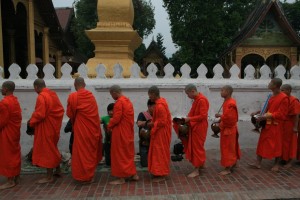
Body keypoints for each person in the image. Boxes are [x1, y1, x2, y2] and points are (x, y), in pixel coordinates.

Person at [67, 77, 102, 184]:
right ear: (84, 84)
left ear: (74, 84)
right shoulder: (91, 96)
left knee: (81, 152)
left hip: (81, 129)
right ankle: (90, 175)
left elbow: (70, 114)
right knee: (90, 152)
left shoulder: (73, 96)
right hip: (92, 129)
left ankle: (84, 176)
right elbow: (95, 114)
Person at [248, 78, 289, 172]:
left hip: (276, 125)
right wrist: (258, 112)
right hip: (267, 124)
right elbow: (267, 109)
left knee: (277, 144)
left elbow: (281, 114)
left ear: (275, 85)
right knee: (262, 142)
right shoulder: (271, 96)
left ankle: (276, 164)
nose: (269, 84)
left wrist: (266, 116)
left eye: (271, 82)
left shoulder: (283, 98)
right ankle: (258, 163)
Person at [29, 79, 64, 184]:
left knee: (47, 150)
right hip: (53, 126)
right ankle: (57, 170)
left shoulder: (42, 96)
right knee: (52, 147)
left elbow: (40, 114)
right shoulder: (52, 94)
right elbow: (60, 110)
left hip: (46, 127)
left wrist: (31, 121)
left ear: (36, 87)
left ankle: (49, 177)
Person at [107, 85, 138, 185]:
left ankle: (121, 178)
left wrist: (109, 125)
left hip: (120, 132)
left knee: (119, 154)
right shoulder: (128, 101)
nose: (112, 96)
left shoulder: (119, 102)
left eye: (111, 94)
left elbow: (116, 118)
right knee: (128, 154)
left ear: (114, 93)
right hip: (128, 132)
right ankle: (133, 174)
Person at [182, 84, 210, 178]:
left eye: (187, 94)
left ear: (192, 91)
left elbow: (203, 116)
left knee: (197, 148)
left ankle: (197, 169)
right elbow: (192, 112)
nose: (187, 96)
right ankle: (201, 164)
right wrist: (186, 119)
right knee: (198, 146)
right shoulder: (196, 100)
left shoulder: (202, 100)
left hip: (200, 127)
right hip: (195, 125)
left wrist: (189, 119)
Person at [147, 86, 172, 182]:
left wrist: (152, 124)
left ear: (153, 94)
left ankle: (161, 175)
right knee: (157, 151)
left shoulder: (160, 106)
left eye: (150, 95)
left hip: (161, 132)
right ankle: (157, 172)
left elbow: (162, 122)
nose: (149, 97)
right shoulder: (160, 103)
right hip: (158, 131)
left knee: (159, 152)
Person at [0, 81, 22, 190]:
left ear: (6, 89)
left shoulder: (4, 102)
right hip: (15, 132)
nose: (1, 89)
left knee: (8, 155)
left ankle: (10, 181)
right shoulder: (15, 100)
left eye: (2, 88)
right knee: (14, 152)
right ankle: (16, 177)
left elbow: (2, 121)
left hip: (7, 132)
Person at [215, 85, 241, 175]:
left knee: (228, 149)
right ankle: (233, 163)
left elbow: (231, 119)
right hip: (226, 129)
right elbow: (226, 115)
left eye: (222, 90)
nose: (221, 92)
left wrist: (220, 116)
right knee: (230, 148)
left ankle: (227, 168)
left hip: (229, 130)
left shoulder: (231, 103)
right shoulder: (226, 101)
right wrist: (220, 120)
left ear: (228, 92)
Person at [280, 84, 299, 168]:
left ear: (289, 90)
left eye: (283, 90)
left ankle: (290, 161)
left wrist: (295, 127)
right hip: (283, 123)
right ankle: (284, 158)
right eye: (281, 90)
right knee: (283, 142)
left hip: (290, 123)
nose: (281, 92)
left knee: (291, 142)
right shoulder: (283, 99)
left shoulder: (294, 100)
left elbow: (296, 115)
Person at [136, 99, 155, 167]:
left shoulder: (158, 115)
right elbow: (138, 123)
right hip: (144, 140)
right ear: (149, 106)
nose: (155, 109)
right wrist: (148, 122)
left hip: (155, 140)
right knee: (145, 164)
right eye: (154, 107)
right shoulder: (142, 114)